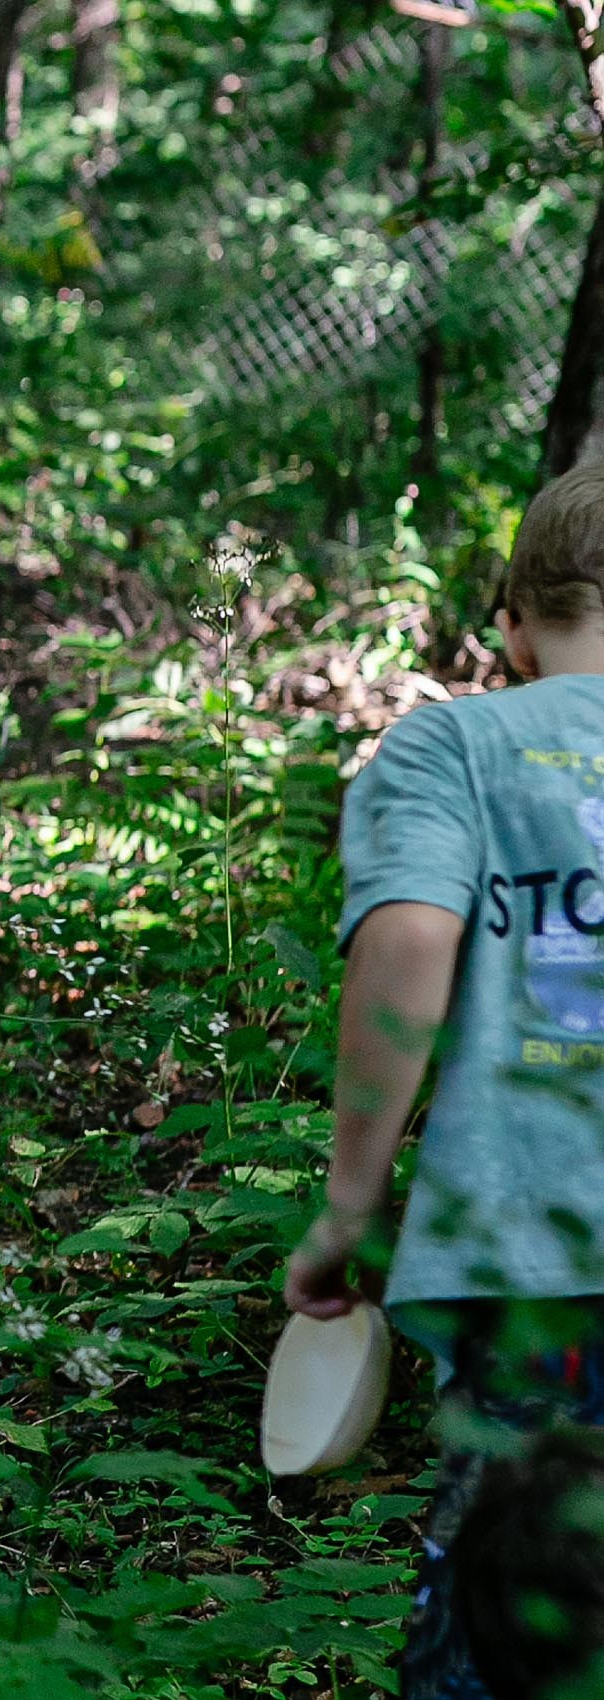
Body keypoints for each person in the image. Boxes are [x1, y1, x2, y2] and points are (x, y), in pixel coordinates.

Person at [287, 459, 604, 1697]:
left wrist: (345, 1213)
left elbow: (410, 941)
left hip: (537, 1272)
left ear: (513, 624)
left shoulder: (449, 747)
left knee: (506, 1631)